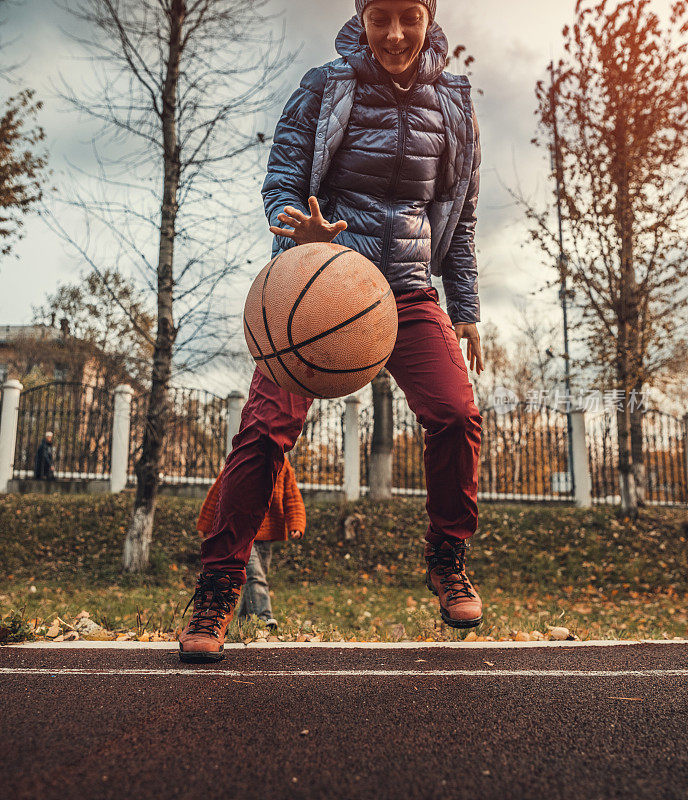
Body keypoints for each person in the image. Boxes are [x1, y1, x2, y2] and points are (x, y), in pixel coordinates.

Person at [179, 0, 485, 663]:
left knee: (458, 415)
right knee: (263, 431)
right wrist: (300, 231)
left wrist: (466, 305)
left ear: (429, 18)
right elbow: (282, 183)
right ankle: (218, 585)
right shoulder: (326, 85)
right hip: (322, 281)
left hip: (404, 290)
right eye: (382, 18)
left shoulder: (455, 102)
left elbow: (458, 219)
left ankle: (446, 555)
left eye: (410, 16)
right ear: (362, 18)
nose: (397, 33)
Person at [196, 456, 306, 630]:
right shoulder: (242, 458)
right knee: (254, 575)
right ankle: (263, 617)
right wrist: (206, 523)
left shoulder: (282, 464)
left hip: (267, 534)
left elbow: (292, 497)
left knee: (254, 578)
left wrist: (296, 524)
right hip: (242, 531)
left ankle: (243, 624)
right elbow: (219, 492)